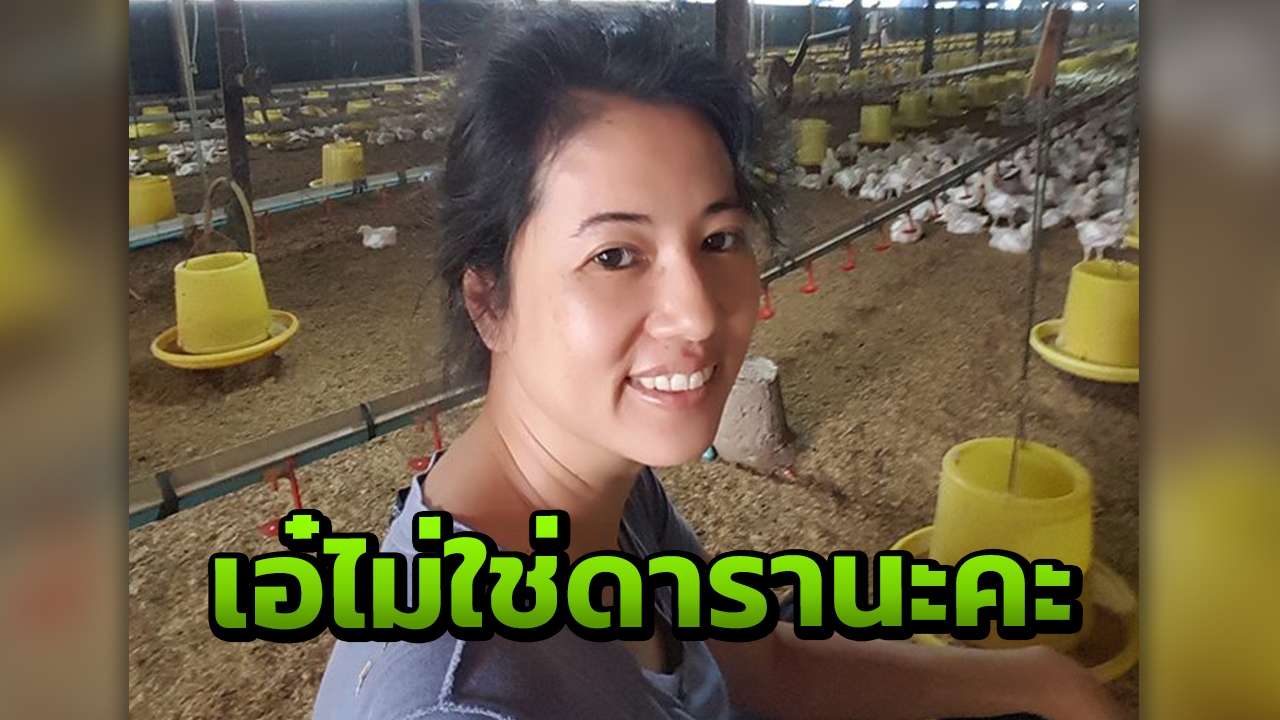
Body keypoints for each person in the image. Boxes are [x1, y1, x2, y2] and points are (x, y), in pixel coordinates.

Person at [312, 8, 1129, 720]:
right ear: (490, 302)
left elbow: (764, 663)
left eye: (718, 238)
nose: (698, 314)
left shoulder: (610, 490)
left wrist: (1035, 678)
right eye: (614, 255)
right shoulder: (466, 699)